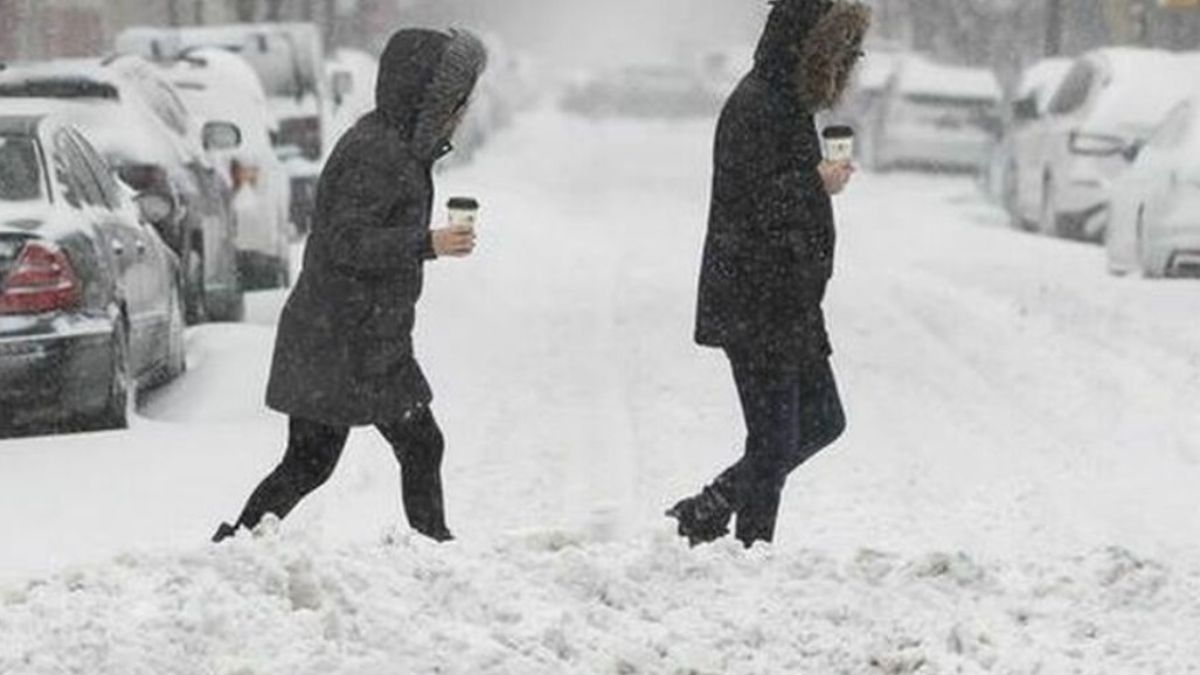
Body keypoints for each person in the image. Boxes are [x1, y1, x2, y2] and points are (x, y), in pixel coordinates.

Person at [213, 28, 487, 544]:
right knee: (323, 461)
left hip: (365, 336)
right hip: (338, 338)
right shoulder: (376, 151)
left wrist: (424, 244)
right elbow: (346, 241)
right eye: (457, 99)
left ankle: (433, 546)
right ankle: (238, 547)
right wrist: (427, 242)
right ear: (425, 95)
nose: (463, 110)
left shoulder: (401, 147)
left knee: (359, 454)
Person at [667, 0, 871, 548]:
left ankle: (713, 505)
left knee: (822, 420)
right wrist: (816, 183)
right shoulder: (758, 104)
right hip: (755, 296)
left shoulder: (787, 103)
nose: (849, 61)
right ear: (808, 45)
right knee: (776, 439)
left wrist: (813, 183)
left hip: (788, 297)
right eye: (841, 50)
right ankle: (751, 550)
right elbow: (752, 201)